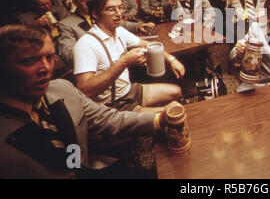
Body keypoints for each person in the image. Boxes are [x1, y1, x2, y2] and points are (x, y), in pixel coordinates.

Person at [0, 24, 169, 178]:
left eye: (49, 57)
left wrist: (159, 119)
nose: (45, 68)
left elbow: (107, 119)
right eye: (29, 61)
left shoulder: (62, 89)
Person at [73, 0, 184, 112]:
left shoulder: (119, 31)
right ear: (95, 14)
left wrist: (172, 60)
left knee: (177, 91)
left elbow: (146, 44)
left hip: (128, 92)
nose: (118, 13)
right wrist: (124, 62)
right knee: (170, 115)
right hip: (110, 106)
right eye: (110, 9)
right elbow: (85, 90)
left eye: (120, 8)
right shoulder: (86, 44)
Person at [57, 0, 155, 65]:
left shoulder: (101, 14)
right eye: (84, 1)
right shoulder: (66, 24)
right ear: (74, 3)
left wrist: (138, 26)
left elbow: (120, 24)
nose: (89, 4)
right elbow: (68, 54)